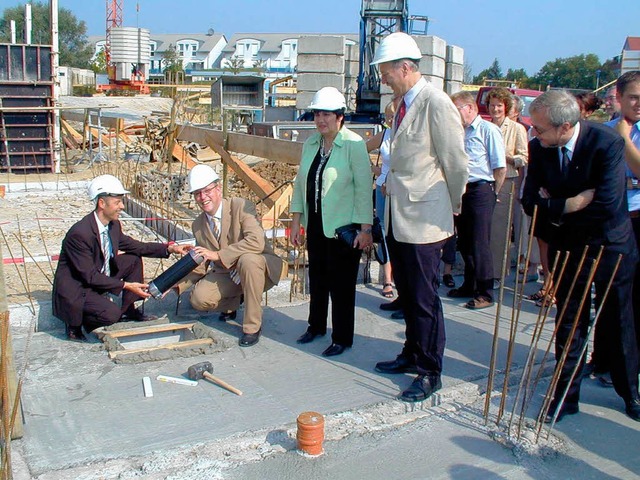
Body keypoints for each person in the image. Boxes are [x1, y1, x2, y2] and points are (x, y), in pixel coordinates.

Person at [521, 89, 640, 423]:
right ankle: (565, 396)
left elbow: (606, 203)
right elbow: (529, 201)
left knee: (618, 322)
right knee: (569, 322)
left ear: (565, 127)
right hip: (568, 247)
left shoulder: (605, 144)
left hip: (610, 246)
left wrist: (553, 205)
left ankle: (629, 392)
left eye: (541, 128)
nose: (535, 133)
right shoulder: (539, 147)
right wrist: (568, 204)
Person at [370, 32, 469, 402]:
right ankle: (411, 353)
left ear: (406, 67)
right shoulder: (401, 105)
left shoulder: (435, 103)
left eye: (385, 71)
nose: (382, 78)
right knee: (409, 294)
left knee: (425, 298)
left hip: (426, 218)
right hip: (400, 215)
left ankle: (430, 371)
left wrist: (452, 204)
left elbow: (455, 162)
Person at [52, 175, 190, 342]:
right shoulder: (80, 234)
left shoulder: (112, 225)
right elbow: (89, 276)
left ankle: (128, 310)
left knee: (133, 259)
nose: (122, 206)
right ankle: (76, 323)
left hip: (98, 277)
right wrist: (126, 285)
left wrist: (170, 248)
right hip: (79, 288)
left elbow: (136, 246)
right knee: (111, 315)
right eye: (117, 202)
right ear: (102, 203)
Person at [290, 86, 373, 357]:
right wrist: (296, 221)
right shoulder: (311, 144)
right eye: (317, 114)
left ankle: (342, 337)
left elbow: (363, 188)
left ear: (340, 117)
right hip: (316, 224)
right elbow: (301, 185)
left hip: (342, 228)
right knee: (318, 278)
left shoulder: (353, 145)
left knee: (341, 285)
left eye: (327, 114)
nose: (321, 120)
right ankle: (316, 326)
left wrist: (365, 229)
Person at [176, 164, 285, 347]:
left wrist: (219, 255)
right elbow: (202, 262)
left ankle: (252, 326)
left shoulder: (241, 207)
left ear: (218, 188)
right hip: (228, 274)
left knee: (248, 260)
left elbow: (256, 242)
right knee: (198, 298)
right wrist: (172, 285)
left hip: (258, 268)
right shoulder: (198, 225)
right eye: (197, 193)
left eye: (207, 191)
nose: (203, 197)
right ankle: (234, 302)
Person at [448, 91, 506, 309]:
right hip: (460, 190)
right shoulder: (458, 132)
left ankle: (485, 292)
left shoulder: (488, 130)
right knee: (464, 241)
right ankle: (469, 285)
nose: (454, 115)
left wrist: (493, 194)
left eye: (457, 110)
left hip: (480, 189)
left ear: (470, 108)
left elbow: (499, 167)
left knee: (480, 243)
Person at [486, 88, 529, 282]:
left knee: (499, 230)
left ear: (506, 107)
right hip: (485, 180)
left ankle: (497, 274)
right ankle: (483, 271)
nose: (495, 109)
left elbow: (524, 158)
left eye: (499, 105)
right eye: (492, 105)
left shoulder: (516, 128)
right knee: (484, 229)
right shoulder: (485, 126)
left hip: (506, 182)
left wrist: (506, 158)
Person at [367, 98, 399, 301]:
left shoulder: (410, 136)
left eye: (393, 116)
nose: (389, 120)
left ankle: (400, 279)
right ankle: (387, 279)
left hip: (401, 191)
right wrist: (375, 170)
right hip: (382, 189)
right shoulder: (385, 134)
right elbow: (361, 149)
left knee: (400, 235)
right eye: (387, 116)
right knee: (385, 235)